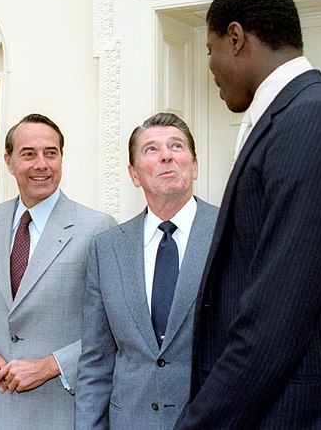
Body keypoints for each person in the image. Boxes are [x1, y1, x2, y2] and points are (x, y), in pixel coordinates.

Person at [174, 0, 321, 429]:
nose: (211, 65)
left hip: (298, 414)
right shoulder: (288, 118)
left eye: (210, 49)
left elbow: (275, 318)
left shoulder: (314, 120)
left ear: (236, 37)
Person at [0, 113, 117, 430]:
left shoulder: (98, 227)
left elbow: (113, 325)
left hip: (63, 406)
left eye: (51, 153)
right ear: (9, 161)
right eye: (28, 154)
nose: (41, 164)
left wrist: (51, 365)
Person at [76, 112, 218, 429]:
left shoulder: (231, 235)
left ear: (194, 165)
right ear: (134, 174)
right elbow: (95, 361)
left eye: (176, 146)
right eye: (151, 149)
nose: (166, 155)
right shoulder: (107, 248)